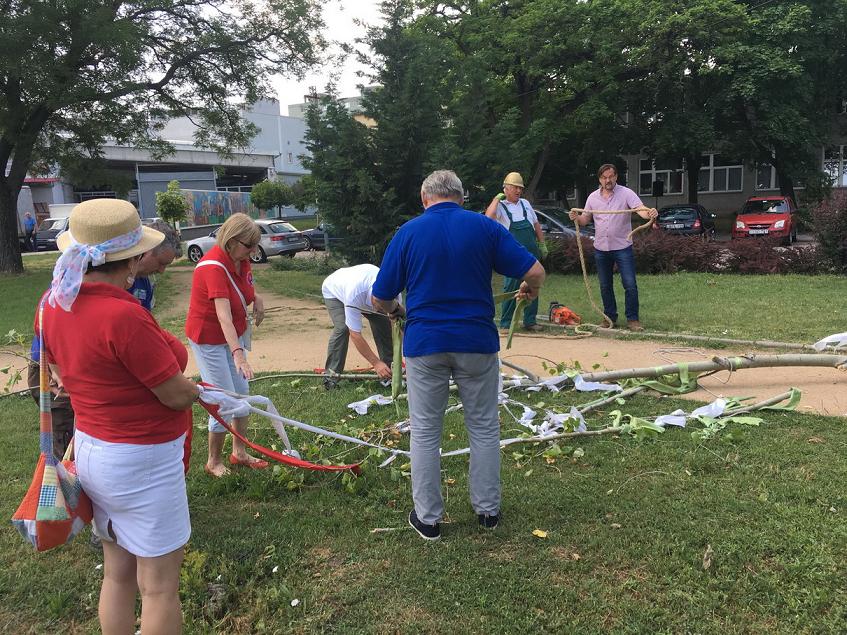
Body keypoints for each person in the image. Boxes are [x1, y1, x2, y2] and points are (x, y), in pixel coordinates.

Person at [41, 198, 200, 634]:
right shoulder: (124, 315)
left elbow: (64, 374)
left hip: (92, 450)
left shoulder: (53, 303)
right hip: (143, 459)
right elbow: (174, 395)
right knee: (160, 588)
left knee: (117, 574)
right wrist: (194, 390)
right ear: (131, 261)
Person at [373, 170, 545, 541]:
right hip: (476, 341)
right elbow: (535, 271)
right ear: (462, 198)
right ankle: (488, 511)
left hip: (425, 344)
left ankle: (428, 519)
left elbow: (379, 297)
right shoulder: (485, 228)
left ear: (424, 198)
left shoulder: (408, 233)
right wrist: (529, 289)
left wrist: (396, 311)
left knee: (424, 431)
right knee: (483, 427)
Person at [185, 212, 267, 477]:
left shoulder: (241, 259)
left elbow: (244, 289)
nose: (253, 251)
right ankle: (213, 461)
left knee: (241, 395)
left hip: (232, 336)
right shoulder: (212, 267)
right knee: (222, 399)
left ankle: (239, 453)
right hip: (209, 339)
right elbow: (223, 316)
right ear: (231, 241)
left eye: (255, 245)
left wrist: (258, 299)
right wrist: (238, 355)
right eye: (249, 245)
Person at [569, 164, 658, 331]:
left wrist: (650, 214)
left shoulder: (626, 193)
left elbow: (641, 210)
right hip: (601, 248)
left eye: (610, 177)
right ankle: (610, 318)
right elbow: (584, 220)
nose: (608, 180)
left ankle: (633, 320)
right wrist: (576, 218)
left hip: (622, 247)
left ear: (616, 177)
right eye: (604, 177)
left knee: (630, 284)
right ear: (600, 179)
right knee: (605, 285)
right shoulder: (592, 197)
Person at [485, 172, 546, 333]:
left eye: (520, 188)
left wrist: (542, 244)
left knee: (533, 285)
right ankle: (505, 323)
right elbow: (488, 219)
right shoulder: (500, 206)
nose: (518, 191)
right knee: (511, 287)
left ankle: (530, 321)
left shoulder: (525, 203)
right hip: (512, 254)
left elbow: (536, 224)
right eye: (515, 188)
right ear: (506, 189)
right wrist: (496, 199)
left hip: (531, 251)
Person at [321, 263, 400, 388]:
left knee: (384, 324)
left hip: (362, 290)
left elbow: (397, 325)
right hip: (334, 291)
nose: (384, 310)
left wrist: (407, 357)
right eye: (381, 307)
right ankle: (331, 377)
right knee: (343, 328)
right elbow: (355, 335)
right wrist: (376, 363)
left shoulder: (394, 292)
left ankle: (389, 373)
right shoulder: (354, 295)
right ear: (374, 299)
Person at [129, 220, 181, 311]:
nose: (161, 271)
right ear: (146, 250)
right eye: (161, 263)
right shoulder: (111, 278)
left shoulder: (144, 282)